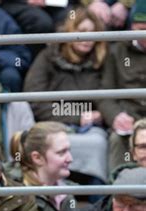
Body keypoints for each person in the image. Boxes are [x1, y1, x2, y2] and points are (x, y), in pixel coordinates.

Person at [24, 8, 109, 188]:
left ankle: (97, 205)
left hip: (89, 128)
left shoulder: (100, 61)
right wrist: (77, 117)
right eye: (82, 32)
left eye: (93, 33)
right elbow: (35, 99)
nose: (88, 39)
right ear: (71, 31)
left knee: (98, 144)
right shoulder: (48, 57)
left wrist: (100, 114)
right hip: (52, 123)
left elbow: (106, 95)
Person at [8, 122, 77, 211]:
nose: (70, 159)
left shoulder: (67, 193)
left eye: (69, 150)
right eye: (61, 152)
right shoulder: (15, 196)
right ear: (37, 158)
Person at [98, 2, 146, 171]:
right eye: (142, 29)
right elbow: (105, 92)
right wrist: (116, 116)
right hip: (129, 117)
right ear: (132, 27)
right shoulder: (117, 51)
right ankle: (119, 190)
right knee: (117, 139)